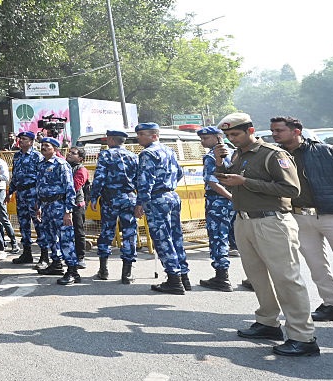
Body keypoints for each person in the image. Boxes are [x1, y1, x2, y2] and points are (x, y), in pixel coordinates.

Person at [215, 112, 318, 356]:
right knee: (256, 276)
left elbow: (291, 189)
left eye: (235, 134)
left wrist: (245, 182)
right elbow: (234, 180)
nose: (231, 139)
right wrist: (221, 165)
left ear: (250, 131)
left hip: (272, 221)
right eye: (228, 135)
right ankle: (268, 322)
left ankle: (303, 336)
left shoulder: (273, 154)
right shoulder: (238, 154)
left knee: (286, 278)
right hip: (245, 220)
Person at [269, 116, 333, 322]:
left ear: (296, 131)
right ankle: (331, 304)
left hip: (331, 214)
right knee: (317, 266)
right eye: (273, 131)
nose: (274, 134)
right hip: (298, 216)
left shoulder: (326, 151)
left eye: (279, 130)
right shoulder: (275, 155)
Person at [133, 122, 189, 295]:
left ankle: (174, 280)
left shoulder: (147, 153)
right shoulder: (168, 150)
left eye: (142, 134)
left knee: (162, 239)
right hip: (171, 196)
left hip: (157, 199)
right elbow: (179, 173)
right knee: (176, 236)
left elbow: (145, 181)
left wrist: (140, 203)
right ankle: (183, 276)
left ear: (154, 136)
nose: (138, 138)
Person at [90, 129, 139, 284]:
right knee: (129, 234)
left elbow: (99, 177)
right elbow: (139, 180)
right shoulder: (133, 156)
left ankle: (103, 270)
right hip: (129, 198)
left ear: (111, 140)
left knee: (107, 232)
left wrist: (94, 197)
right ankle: (127, 274)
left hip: (110, 199)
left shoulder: (106, 155)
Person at [195, 126, 236, 292]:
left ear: (218, 138)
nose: (202, 141)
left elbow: (212, 182)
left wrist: (229, 197)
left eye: (205, 138)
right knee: (235, 238)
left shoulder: (211, 156)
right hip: (233, 202)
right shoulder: (233, 153)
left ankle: (222, 277)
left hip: (217, 201)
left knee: (218, 238)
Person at [34, 138, 80, 284]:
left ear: (55, 149)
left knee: (65, 239)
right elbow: (39, 186)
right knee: (51, 237)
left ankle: (73, 271)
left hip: (59, 205)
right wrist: (38, 206)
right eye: (42, 145)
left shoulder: (61, 164)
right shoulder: (41, 164)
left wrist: (68, 211)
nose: (43, 148)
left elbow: (70, 188)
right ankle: (56, 264)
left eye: (47, 146)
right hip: (46, 206)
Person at [8, 131, 43, 265]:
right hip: (21, 194)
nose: (21, 141)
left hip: (33, 193)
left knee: (38, 224)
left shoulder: (37, 156)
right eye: (20, 139)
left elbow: (41, 177)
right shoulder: (17, 156)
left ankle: (44, 255)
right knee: (23, 224)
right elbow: (15, 175)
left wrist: (40, 198)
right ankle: (27, 253)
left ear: (31, 141)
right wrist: (10, 191)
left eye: (24, 139)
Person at [65, 147, 90, 269]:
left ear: (80, 158)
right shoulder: (65, 166)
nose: (69, 154)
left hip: (76, 205)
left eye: (73, 153)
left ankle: (80, 257)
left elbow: (74, 186)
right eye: (69, 152)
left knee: (78, 231)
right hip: (64, 204)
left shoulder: (81, 170)